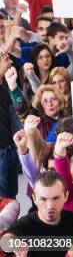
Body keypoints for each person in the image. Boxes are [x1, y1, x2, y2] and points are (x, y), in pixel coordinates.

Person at [1, 171, 73, 257]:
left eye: (56, 198)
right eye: (43, 199)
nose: (50, 206)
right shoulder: (25, 225)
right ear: (34, 199)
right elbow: (5, 243)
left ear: (66, 196)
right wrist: (14, 244)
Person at [0, 45, 21, 199]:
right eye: (6, 59)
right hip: (1, 154)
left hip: (11, 150)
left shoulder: (7, 86)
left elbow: (20, 109)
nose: (10, 63)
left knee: (11, 199)